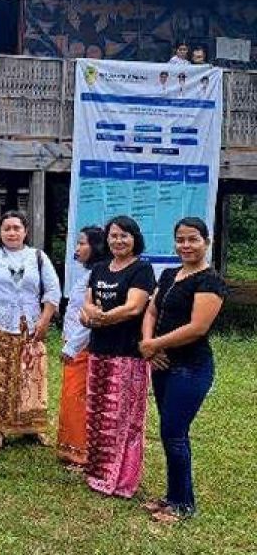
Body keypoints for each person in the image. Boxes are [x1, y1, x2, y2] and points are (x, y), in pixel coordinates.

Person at [139, 217, 228, 523]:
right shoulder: (168, 275)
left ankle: (183, 504)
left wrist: (154, 345)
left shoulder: (210, 281)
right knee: (169, 432)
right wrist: (149, 343)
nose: (186, 246)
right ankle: (172, 496)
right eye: (180, 239)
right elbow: (152, 310)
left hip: (191, 367)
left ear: (206, 241)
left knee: (174, 433)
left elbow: (197, 327)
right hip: (163, 364)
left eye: (193, 239)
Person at [0, 210, 60, 450]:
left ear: (25, 231)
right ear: (0, 232)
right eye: (6, 228)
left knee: (31, 377)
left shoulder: (37, 257)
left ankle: (32, 427)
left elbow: (53, 291)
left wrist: (44, 319)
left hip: (30, 326)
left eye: (16, 228)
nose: (11, 232)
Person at [81, 215, 156, 499]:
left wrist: (101, 318)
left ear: (135, 238)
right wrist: (90, 317)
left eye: (124, 235)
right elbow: (86, 304)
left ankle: (121, 479)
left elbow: (134, 307)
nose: (118, 240)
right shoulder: (100, 268)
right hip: (99, 352)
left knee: (123, 417)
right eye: (113, 235)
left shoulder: (142, 269)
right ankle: (97, 471)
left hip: (127, 354)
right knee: (98, 415)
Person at [56, 226, 106, 470]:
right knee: (70, 395)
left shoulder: (98, 274)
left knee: (78, 397)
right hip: (73, 342)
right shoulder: (87, 273)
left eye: (82, 243)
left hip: (83, 346)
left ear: (96, 246)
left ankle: (82, 453)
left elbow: (91, 318)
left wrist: (72, 346)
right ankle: (70, 447)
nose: (77, 248)